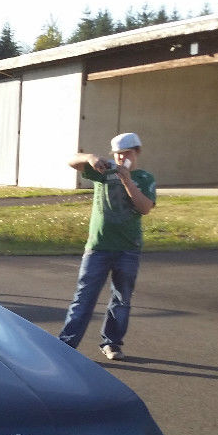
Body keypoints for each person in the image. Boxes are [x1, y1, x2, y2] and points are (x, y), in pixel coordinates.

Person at [57, 131, 156, 361]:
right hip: (98, 247)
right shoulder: (103, 173)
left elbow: (144, 208)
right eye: (118, 155)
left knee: (121, 300)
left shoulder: (144, 178)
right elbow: (72, 160)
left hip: (128, 248)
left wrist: (127, 180)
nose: (121, 159)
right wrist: (91, 158)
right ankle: (66, 346)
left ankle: (111, 343)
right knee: (84, 297)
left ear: (137, 152)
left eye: (126, 154)